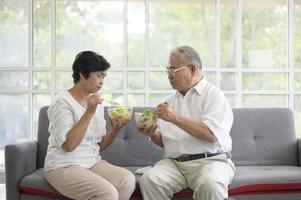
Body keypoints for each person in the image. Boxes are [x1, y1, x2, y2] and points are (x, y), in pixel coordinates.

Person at [137, 45, 235, 200]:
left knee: (211, 183)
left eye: (173, 70)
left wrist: (174, 117)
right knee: (150, 179)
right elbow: (165, 142)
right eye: (167, 70)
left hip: (211, 162)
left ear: (193, 70)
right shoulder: (169, 102)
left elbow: (211, 135)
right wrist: (152, 133)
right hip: (175, 164)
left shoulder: (215, 96)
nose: (169, 75)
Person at [44, 51, 135, 200]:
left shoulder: (96, 103)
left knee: (127, 180)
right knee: (108, 193)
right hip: (62, 166)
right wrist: (89, 112)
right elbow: (68, 145)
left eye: (104, 77)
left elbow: (100, 145)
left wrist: (114, 130)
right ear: (82, 73)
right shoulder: (62, 102)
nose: (102, 81)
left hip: (92, 162)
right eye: (98, 76)